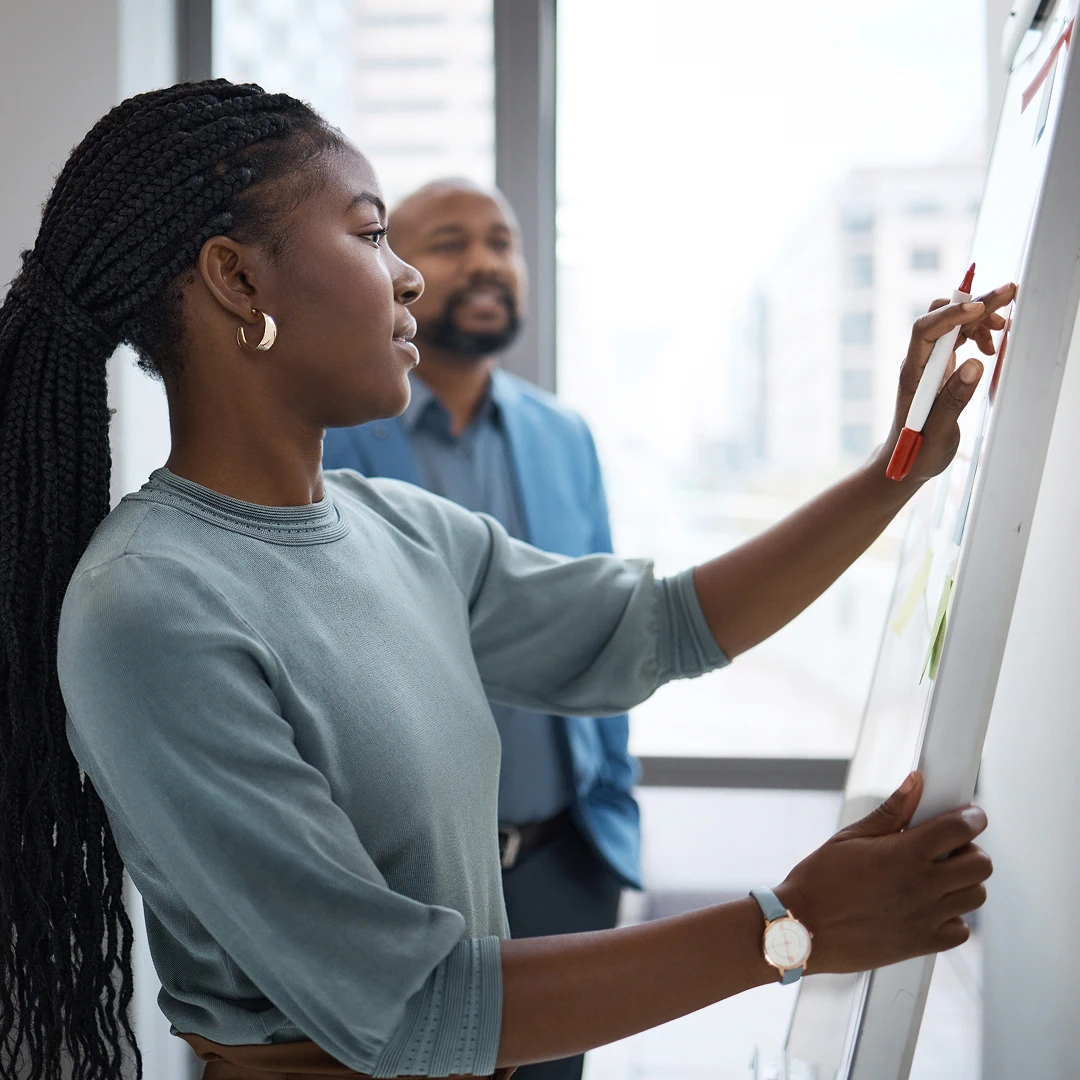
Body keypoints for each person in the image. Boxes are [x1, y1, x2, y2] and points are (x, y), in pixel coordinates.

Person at [0, 80, 1008, 1080]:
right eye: (368, 235)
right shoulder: (150, 604)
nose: (410, 282)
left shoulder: (399, 528)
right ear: (237, 279)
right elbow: (409, 1007)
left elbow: (660, 627)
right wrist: (793, 928)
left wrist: (896, 473)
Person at [323, 178, 635, 1080]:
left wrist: (608, 813)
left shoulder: (563, 436)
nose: (487, 261)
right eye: (451, 241)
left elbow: (607, 624)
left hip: (560, 866)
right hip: (386, 881)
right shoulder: (331, 433)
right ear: (394, 274)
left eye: (502, 240)